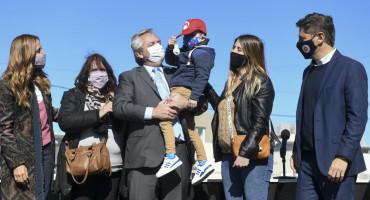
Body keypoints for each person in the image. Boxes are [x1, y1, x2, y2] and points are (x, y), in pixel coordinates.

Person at [113, 28, 199, 200]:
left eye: (159, 42)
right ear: (139, 53)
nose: (158, 46)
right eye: (151, 44)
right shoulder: (129, 77)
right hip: (144, 154)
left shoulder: (176, 73)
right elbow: (120, 107)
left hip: (178, 153)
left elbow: (201, 103)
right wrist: (153, 112)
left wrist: (186, 103)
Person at [290, 13, 367, 200]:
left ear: (320, 37)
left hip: (336, 164)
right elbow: (305, 115)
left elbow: (357, 118)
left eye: (303, 39)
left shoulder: (351, 68)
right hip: (306, 165)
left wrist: (343, 157)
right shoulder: (307, 72)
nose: (299, 44)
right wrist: (296, 151)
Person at [205, 34, 279, 200]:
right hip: (229, 153)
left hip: (252, 154)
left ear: (251, 54)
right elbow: (223, 110)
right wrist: (205, 86)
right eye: (234, 47)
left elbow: (260, 122)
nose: (234, 52)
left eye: (240, 49)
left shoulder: (260, 81)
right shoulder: (231, 82)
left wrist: (245, 153)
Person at [54, 53, 125, 200]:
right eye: (94, 70)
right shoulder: (74, 95)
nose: (99, 73)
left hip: (114, 167)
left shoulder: (117, 96)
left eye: (102, 69)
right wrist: (99, 113)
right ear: (86, 73)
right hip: (83, 166)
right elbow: (65, 121)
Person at [156, 18, 215, 184]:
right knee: (191, 129)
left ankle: (170, 156)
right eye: (185, 36)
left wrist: (194, 96)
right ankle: (203, 162)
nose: (186, 39)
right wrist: (169, 47)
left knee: (165, 118)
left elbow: (203, 76)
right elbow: (171, 60)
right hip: (181, 89)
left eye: (190, 35)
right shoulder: (187, 51)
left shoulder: (202, 52)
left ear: (202, 36)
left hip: (183, 89)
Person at [0, 34, 58, 199]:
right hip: (22, 158)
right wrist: (17, 163)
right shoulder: (7, 86)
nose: (43, 53)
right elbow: (4, 130)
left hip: (46, 153)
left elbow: (48, 112)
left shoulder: (40, 83)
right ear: (26, 54)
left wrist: (73, 115)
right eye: (39, 50)